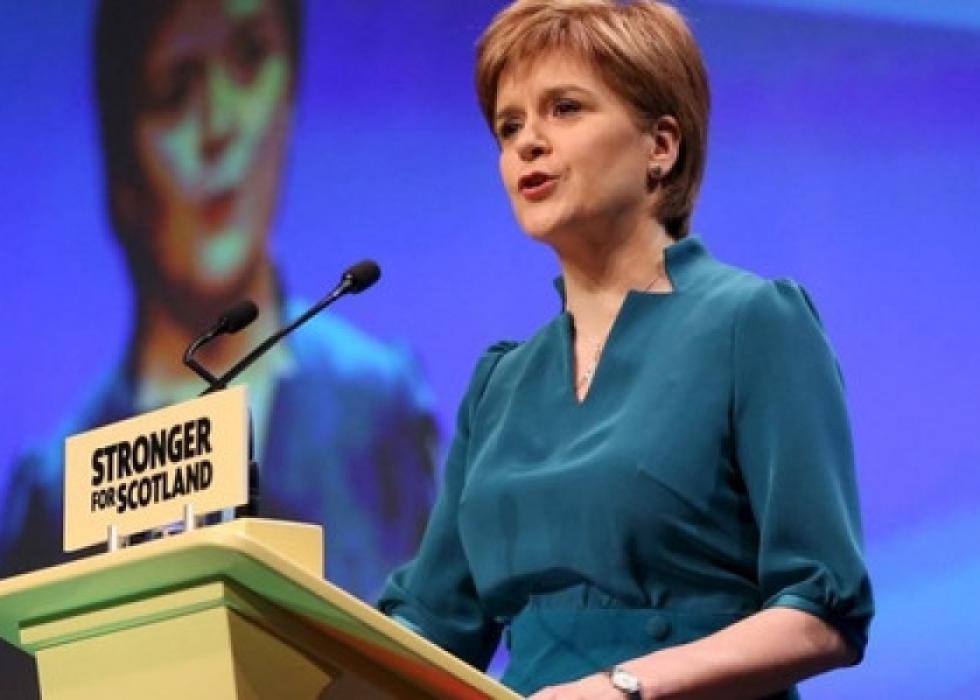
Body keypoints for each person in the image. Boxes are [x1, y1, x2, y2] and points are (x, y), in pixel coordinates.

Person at [379, 1, 873, 698]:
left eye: (565, 109)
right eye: (509, 126)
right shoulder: (501, 384)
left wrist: (622, 687)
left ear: (660, 145)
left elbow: (824, 609)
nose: (528, 143)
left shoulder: (753, 323)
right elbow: (431, 624)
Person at [0, 0, 435, 638]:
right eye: (174, 90)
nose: (218, 125)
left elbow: (444, 632)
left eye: (250, 59)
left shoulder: (377, 404)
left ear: (289, 101)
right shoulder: (54, 490)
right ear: (121, 157)